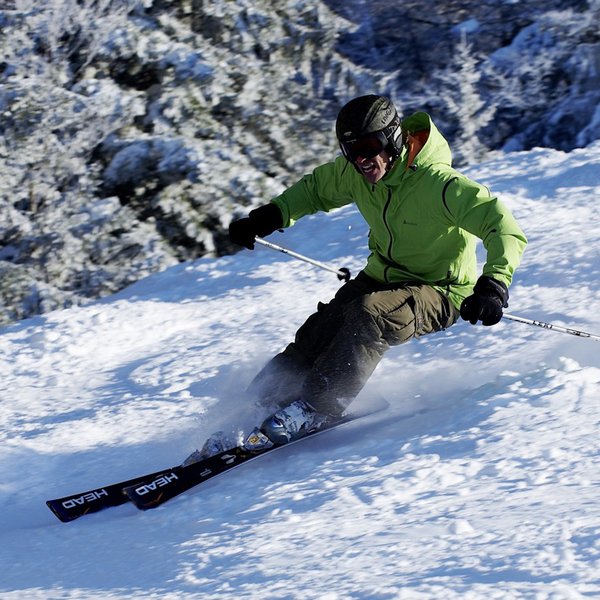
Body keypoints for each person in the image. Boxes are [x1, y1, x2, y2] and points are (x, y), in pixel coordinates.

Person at [191, 94, 527, 460]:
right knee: (317, 334)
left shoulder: (440, 185)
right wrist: (271, 215)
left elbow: (503, 226)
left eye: (369, 147)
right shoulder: (357, 174)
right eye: (352, 151)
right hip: (382, 276)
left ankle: (317, 406)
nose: (361, 160)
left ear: (393, 139)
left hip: (441, 290)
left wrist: (494, 284)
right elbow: (317, 189)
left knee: (370, 315)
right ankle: (253, 409)